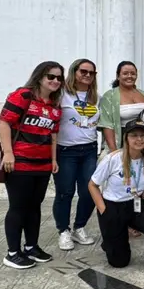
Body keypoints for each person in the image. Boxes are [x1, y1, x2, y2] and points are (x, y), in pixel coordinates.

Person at [0, 61, 63, 269]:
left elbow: (53, 135)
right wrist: (8, 153)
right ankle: (12, 253)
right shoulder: (23, 96)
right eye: (50, 77)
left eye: (59, 78)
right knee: (18, 207)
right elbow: (4, 122)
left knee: (35, 207)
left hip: (42, 165)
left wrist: (53, 160)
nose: (55, 81)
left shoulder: (54, 105)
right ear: (40, 77)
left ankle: (31, 247)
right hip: (19, 164)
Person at [88, 120, 144, 269]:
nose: (139, 139)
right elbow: (92, 185)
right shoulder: (112, 159)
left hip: (135, 202)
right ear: (126, 138)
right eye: (134, 135)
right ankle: (110, 240)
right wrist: (103, 210)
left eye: (143, 136)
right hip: (113, 206)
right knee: (119, 262)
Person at [54, 59, 100, 251]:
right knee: (65, 193)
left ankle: (79, 227)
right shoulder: (62, 95)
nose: (87, 75)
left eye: (92, 72)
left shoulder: (95, 97)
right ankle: (63, 230)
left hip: (89, 149)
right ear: (74, 72)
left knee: (89, 191)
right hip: (65, 151)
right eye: (83, 71)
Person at [98, 61, 144, 153]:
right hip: (120, 141)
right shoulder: (109, 96)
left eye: (133, 74)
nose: (129, 76)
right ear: (118, 76)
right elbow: (106, 125)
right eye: (125, 73)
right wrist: (114, 151)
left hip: (141, 141)